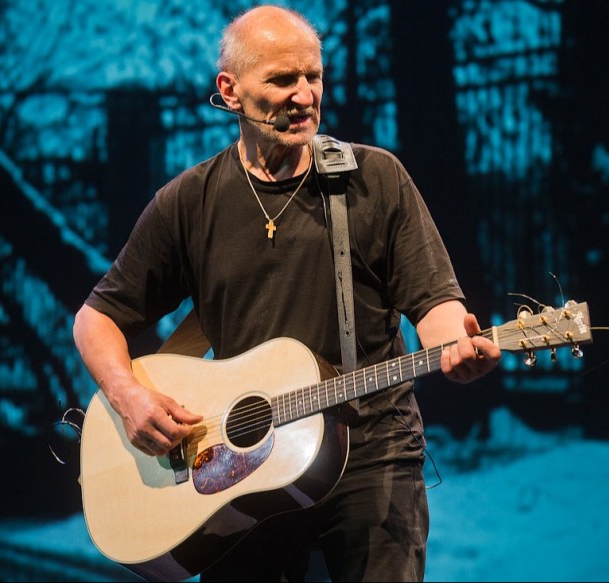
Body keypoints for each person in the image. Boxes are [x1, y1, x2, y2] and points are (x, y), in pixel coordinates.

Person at [72, 5, 501, 581]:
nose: (304, 95)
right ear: (230, 90)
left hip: (371, 453)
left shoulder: (373, 178)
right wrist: (128, 397)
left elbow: (434, 304)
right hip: (241, 467)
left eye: (313, 76)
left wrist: (455, 343)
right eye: (281, 79)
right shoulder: (188, 202)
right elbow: (96, 319)